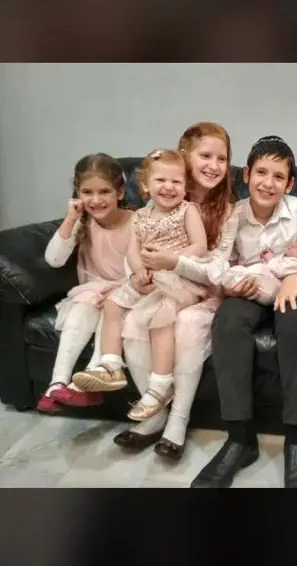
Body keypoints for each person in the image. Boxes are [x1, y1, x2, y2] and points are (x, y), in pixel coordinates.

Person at [190, 135, 297, 489]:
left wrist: (295, 282)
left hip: (288, 286)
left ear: (289, 184)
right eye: (261, 173)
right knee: (228, 321)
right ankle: (239, 438)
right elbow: (219, 266)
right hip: (247, 289)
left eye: (279, 177)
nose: (268, 183)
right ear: (247, 175)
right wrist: (231, 287)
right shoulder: (234, 214)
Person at [112, 122, 238, 461]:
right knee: (134, 322)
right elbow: (136, 246)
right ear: (185, 156)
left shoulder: (228, 210)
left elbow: (218, 267)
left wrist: (175, 261)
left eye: (222, 158)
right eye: (205, 156)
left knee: (187, 325)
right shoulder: (160, 196)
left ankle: (177, 422)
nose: (214, 165)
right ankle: (155, 413)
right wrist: (137, 274)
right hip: (160, 286)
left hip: (206, 291)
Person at [73, 149, 208, 421]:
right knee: (112, 304)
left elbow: (200, 246)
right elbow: (133, 252)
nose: (169, 187)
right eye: (161, 180)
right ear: (145, 185)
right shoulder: (140, 216)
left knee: (158, 315)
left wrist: (171, 260)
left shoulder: (188, 211)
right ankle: (110, 364)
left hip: (179, 277)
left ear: (185, 187)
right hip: (148, 277)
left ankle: (160, 385)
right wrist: (138, 271)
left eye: (176, 181)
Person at [37, 154, 133, 414]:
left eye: (104, 191)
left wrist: (120, 288)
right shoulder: (83, 223)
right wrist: (71, 219)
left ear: (120, 192)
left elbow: (138, 270)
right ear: (77, 194)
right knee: (80, 310)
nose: (96, 200)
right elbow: (54, 259)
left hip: (126, 292)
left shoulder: (135, 222)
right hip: (92, 292)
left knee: (111, 312)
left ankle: (92, 377)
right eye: (87, 192)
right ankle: (57, 383)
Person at [221, 234, 297, 305]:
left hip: (271, 290)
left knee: (256, 271)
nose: (295, 243)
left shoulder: (295, 264)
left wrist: (268, 259)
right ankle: (230, 278)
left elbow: (277, 269)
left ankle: (229, 277)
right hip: (269, 288)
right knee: (252, 273)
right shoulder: (292, 261)